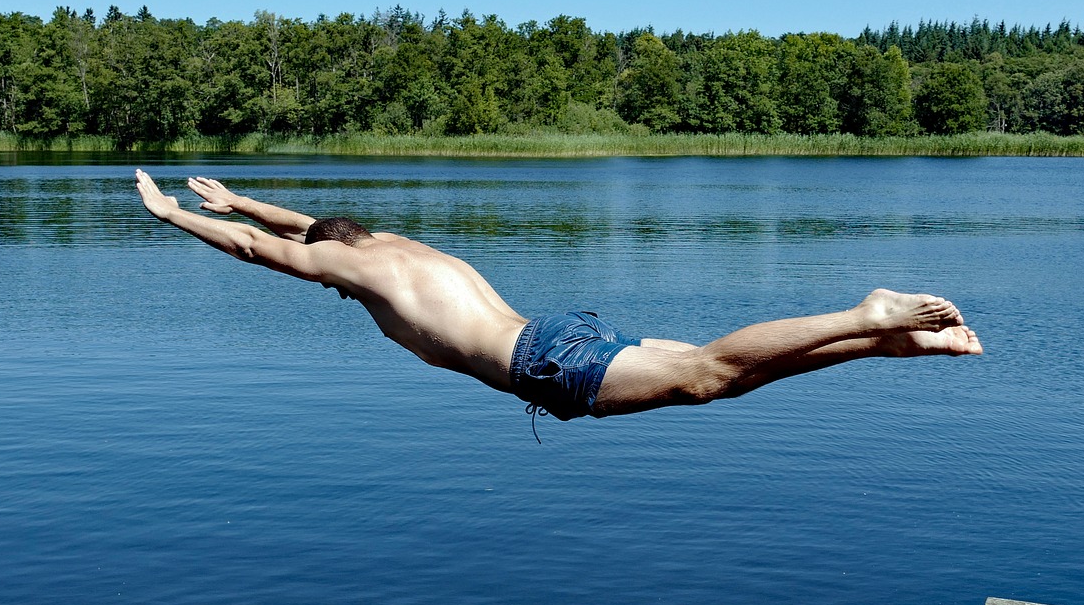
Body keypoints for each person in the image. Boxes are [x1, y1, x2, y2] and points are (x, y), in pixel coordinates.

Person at [134, 170, 981, 426]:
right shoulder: (386, 245)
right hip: (555, 331)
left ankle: (867, 315)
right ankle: (889, 343)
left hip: (542, 364)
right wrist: (241, 198)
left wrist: (174, 215)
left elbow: (263, 251)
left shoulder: (354, 271)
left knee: (712, 370)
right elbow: (305, 224)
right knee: (721, 377)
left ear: (328, 262)